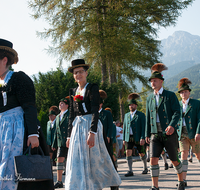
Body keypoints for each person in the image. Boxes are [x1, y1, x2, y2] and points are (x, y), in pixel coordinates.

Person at [65, 59, 121, 190]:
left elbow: (95, 111)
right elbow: (71, 115)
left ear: (86, 73)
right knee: (77, 160)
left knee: (97, 160)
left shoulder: (92, 88)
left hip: (91, 125)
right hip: (77, 127)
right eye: (75, 73)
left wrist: (92, 132)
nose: (78, 75)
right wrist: (68, 136)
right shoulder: (73, 91)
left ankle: (110, 183)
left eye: (80, 72)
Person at [0, 39, 39, 190]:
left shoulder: (19, 79)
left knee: (13, 169)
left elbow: (29, 107)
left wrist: (33, 133)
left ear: (4, 60)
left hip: (16, 130)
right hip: (1, 129)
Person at [145, 63, 184, 190]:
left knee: (174, 160)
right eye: (151, 81)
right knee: (153, 160)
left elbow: (177, 112)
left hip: (169, 134)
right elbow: (147, 117)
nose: (153, 83)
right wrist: (146, 134)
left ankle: (181, 181)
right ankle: (155, 186)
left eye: (155, 81)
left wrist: (172, 125)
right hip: (155, 134)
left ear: (161, 81)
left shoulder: (170, 95)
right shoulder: (149, 98)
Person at [176, 78, 200, 187]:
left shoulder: (196, 103)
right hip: (182, 134)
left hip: (194, 133)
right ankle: (183, 180)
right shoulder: (177, 105)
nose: (183, 94)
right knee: (183, 155)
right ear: (180, 94)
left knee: (198, 155)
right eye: (181, 92)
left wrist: (198, 132)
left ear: (189, 92)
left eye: (185, 92)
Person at [123, 93, 148, 176]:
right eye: (130, 105)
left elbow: (143, 127)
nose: (131, 106)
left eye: (132, 105)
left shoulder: (141, 115)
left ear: (136, 106)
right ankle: (130, 170)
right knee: (128, 152)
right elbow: (125, 127)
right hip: (128, 137)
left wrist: (143, 137)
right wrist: (124, 138)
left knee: (141, 153)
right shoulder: (126, 115)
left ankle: (145, 168)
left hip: (138, 137)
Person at [52, 97, 70, 188]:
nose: (60, 104)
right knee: (59, 160)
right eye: (60, 103)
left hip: (69, 141)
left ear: (67, 105)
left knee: (70, 161)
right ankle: (59, 181)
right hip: (60, 142)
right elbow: (56, 131)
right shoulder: (58, 116)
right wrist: (54, 143)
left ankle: (71, 180)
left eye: (62, 103)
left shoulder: (70, 114)